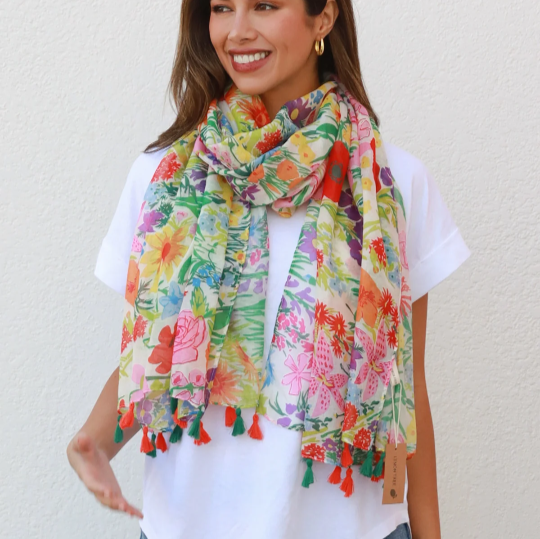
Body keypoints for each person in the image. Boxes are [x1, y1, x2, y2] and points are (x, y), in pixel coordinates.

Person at [66, 1, 471, 538]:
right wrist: (93, 441)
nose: (237, 31)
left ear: (322, 17)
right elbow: (157, 353)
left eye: (263, 5)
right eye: (221, 8)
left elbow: (407, 388)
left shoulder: (392, 183)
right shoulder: (163, 182)